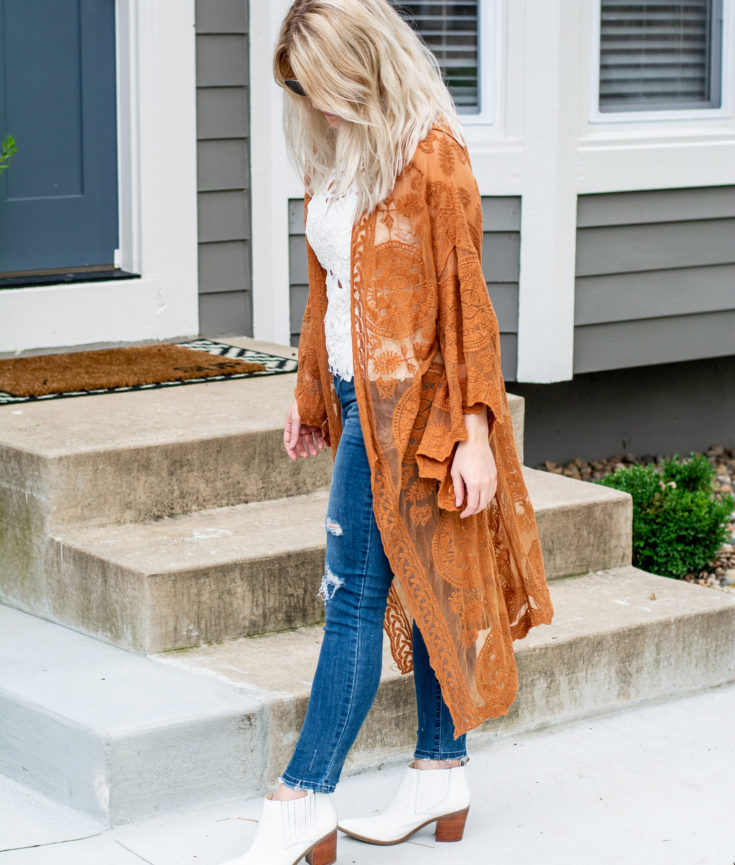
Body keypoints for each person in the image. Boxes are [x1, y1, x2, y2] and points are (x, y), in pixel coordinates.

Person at [219, 1, 554, 863]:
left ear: (365, 62)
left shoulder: (430, 153)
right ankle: (440, 770)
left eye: (327, 86)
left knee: (354, 597)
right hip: (354, 396)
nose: (319, 106)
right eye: (303, 91)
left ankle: (302, 796)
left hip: (414, 416)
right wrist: (306, 391)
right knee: (419, 585)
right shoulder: (334, 151)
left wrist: (476, 429)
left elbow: (464, 305)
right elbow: (329, 287)